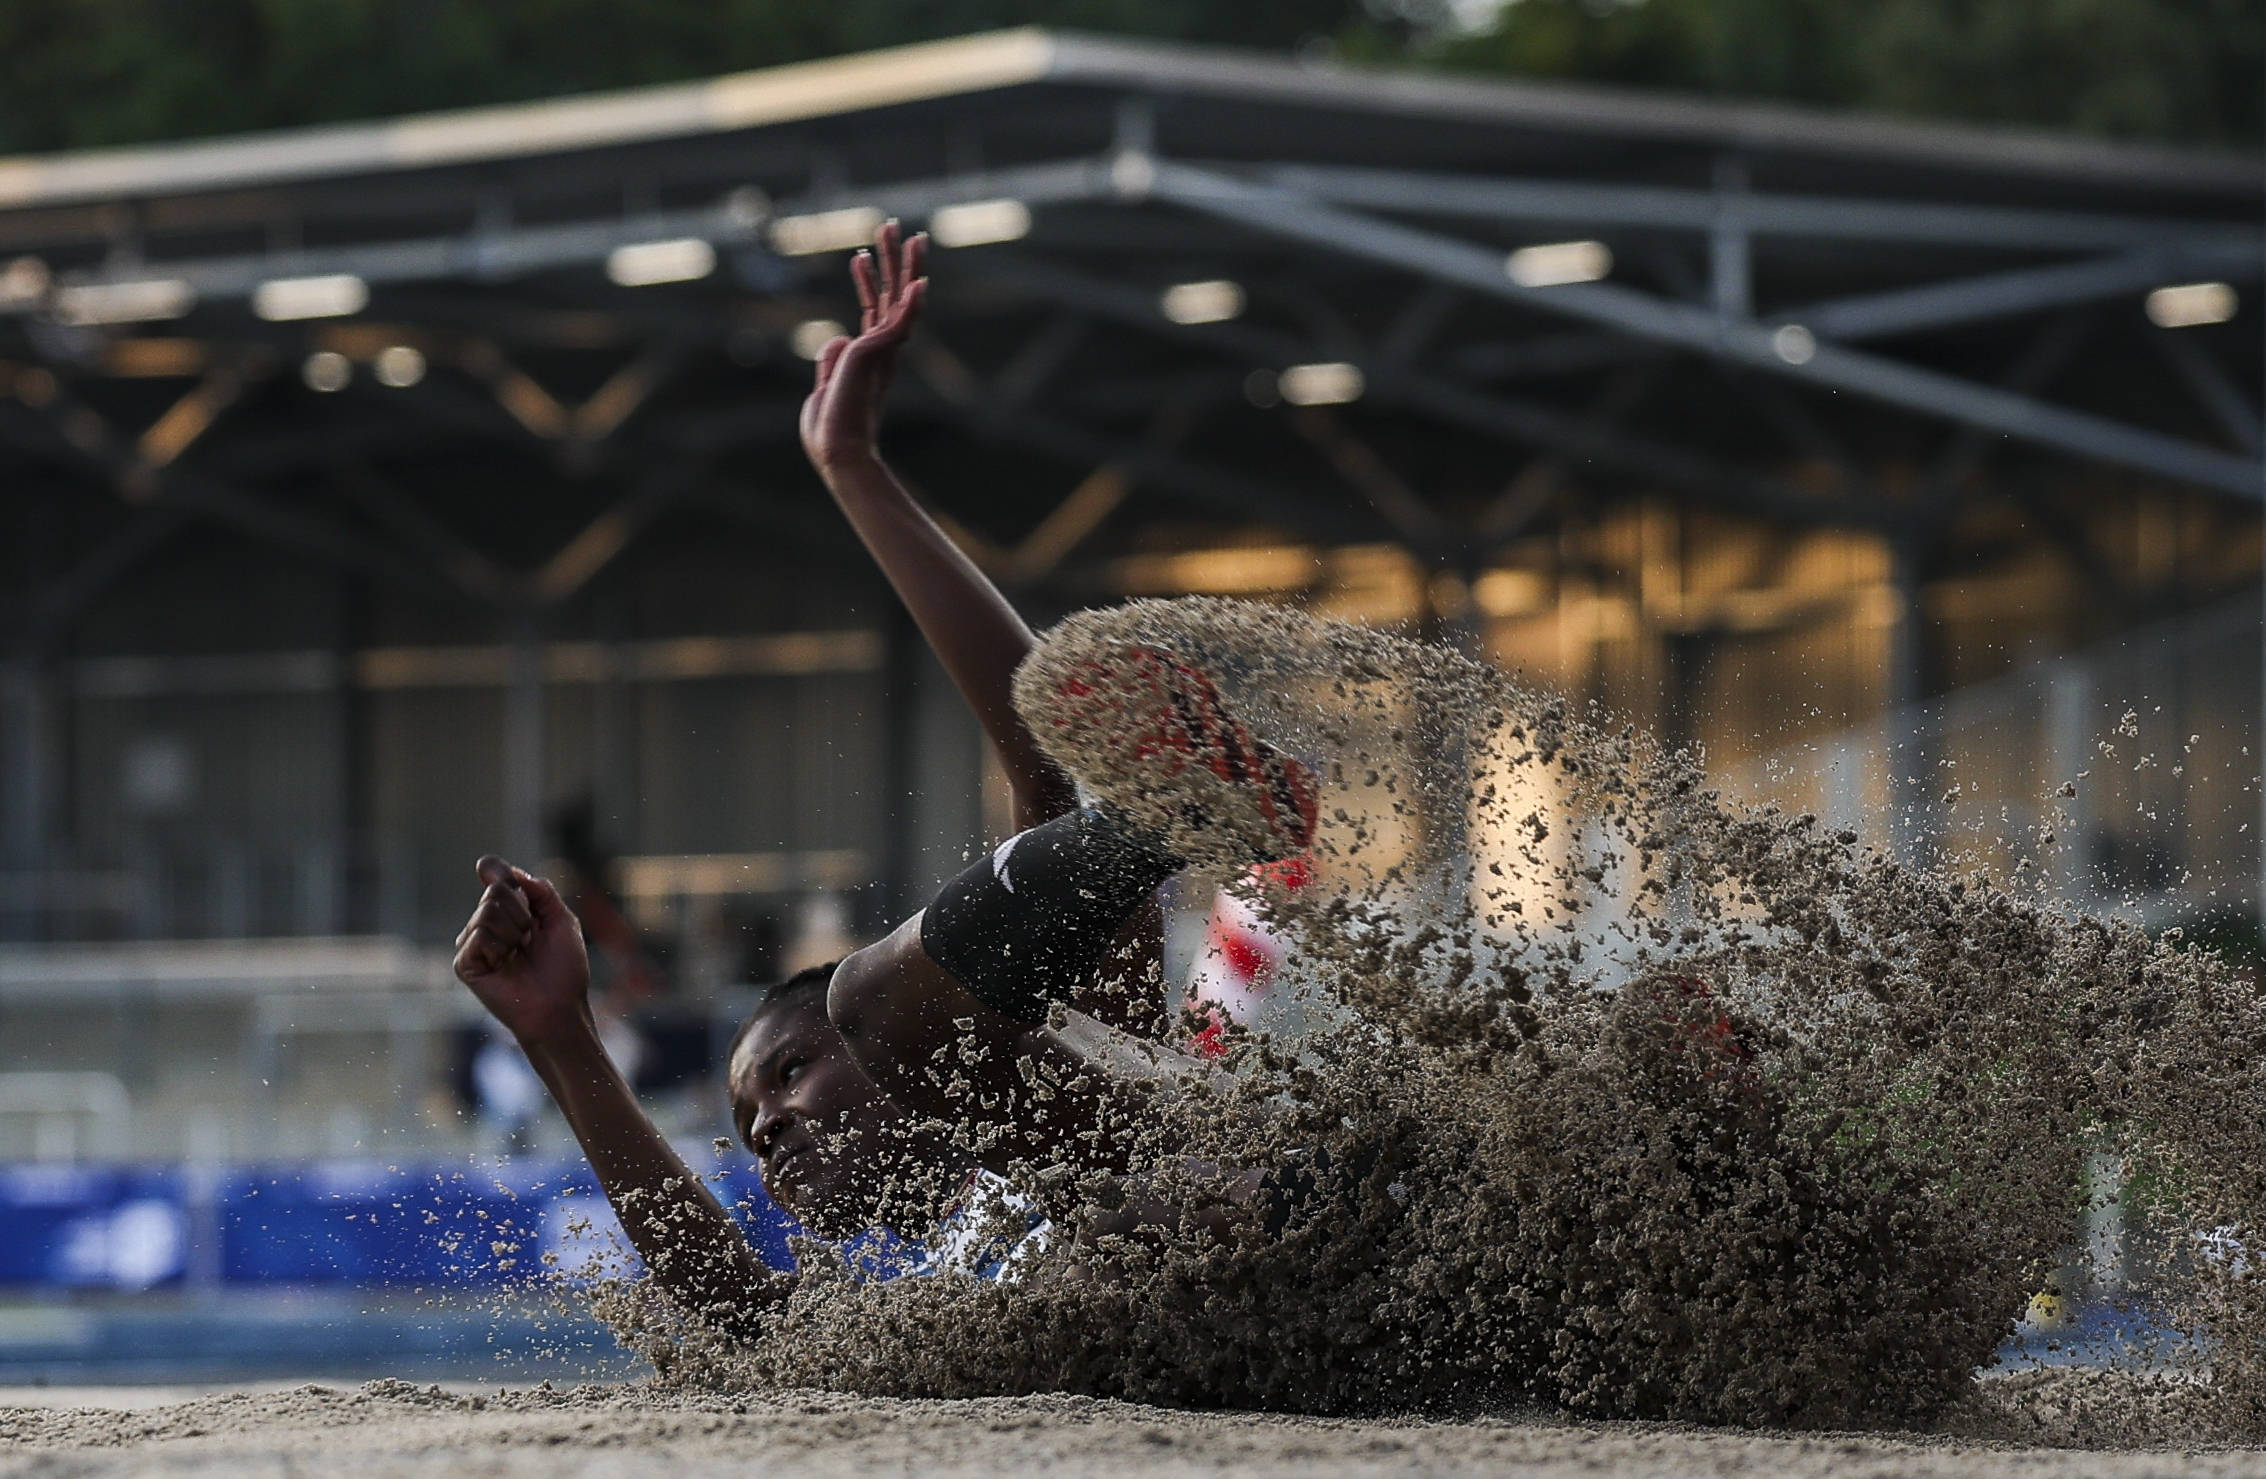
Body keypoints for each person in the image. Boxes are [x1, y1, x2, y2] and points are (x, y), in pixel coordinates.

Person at [450, 223, 1315, 1335]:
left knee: (877, 995)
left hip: (1300, 1234)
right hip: (1286, 1335)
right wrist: (555, 1033)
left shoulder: (1082, 1067)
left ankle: (1167, 820)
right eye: (748, 1117)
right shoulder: (929, 1304)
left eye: (792, 1070)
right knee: (885, 1014)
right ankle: (1150, 823)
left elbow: (1031, 755)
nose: (765, 1128)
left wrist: (854, 469)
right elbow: (742, 1323)